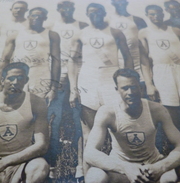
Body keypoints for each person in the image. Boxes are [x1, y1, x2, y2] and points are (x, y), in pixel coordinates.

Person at [84, 68, 180, 183]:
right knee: (95, 176)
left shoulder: (157, 110)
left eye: (133, 87)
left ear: (141, 88)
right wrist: (125, 168)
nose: (130, 92)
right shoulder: (108, 112)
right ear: (117, 90)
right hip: (122, 171)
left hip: (152, 168)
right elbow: (89, 153)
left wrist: (161, 167)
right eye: (124, 88)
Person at [68, 2, 133, 173]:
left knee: (117, 124)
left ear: (104, 13)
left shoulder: (116, 32)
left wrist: (128, 82)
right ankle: (84, 168)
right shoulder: (80, 34)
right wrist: (73, 89)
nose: (94, 15)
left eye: (97, 12)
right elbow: (72, 61)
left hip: (110, 79)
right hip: (88, 80)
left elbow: (127, 57)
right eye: (90, 13)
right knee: (88, 130)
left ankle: (120, 167)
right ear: (87, 15)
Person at [139, 5, 180, 139]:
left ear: (163, 14)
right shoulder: (144, 33)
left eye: (158, 13)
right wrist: (149, 84)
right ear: (147, 15)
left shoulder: (176, 30)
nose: (156, 17)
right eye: (152, 14)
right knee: (171, 119)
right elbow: (145, 62)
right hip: (162, 73)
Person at [47, 0, 87, 180]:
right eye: (63, 7)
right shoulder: (50, 26)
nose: (66, 10)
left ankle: (81, 164)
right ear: (58, 9)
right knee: (54, 120)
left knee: (80, 120)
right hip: (58, 74)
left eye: (70, 7)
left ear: (74, 9)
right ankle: (52, 164)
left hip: (79, 73)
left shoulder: (83, 26)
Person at [0, 7, 61, 105]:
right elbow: (4, 60)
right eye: (34, 15)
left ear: (45, 18)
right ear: (28, 17)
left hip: (41, 78)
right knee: (15, 108)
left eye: (40, 16)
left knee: (38, 110)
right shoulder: (15, 35)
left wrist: (54, 89)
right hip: (18, 78)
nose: (37, 18)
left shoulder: (52, 35)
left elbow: (56, 62)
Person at [0, 1, 28, 98]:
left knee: (9, 101)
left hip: (16, 68)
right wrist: (0, 60)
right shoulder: (1, 25)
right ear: (11, 9)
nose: (19, 10)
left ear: (26, 10)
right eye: (16, 8)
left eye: (22, 8)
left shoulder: (29, 26)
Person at [109, 0, 147, 89]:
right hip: (116, 64)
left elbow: (146, 43)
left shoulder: (137, 20)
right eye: (117, 2)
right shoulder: (108, 20)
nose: (120, 4)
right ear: (112, 3)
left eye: (123, 2)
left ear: (127, 3)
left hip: (137, 63)